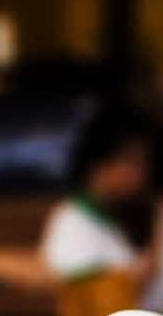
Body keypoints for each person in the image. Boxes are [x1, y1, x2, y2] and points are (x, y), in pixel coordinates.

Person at [40, 108, 154, 285]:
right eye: (132, 161)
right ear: (99, 166)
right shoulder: (71, 218)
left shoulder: (113, 217)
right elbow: (87, 290)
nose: (141, 173)